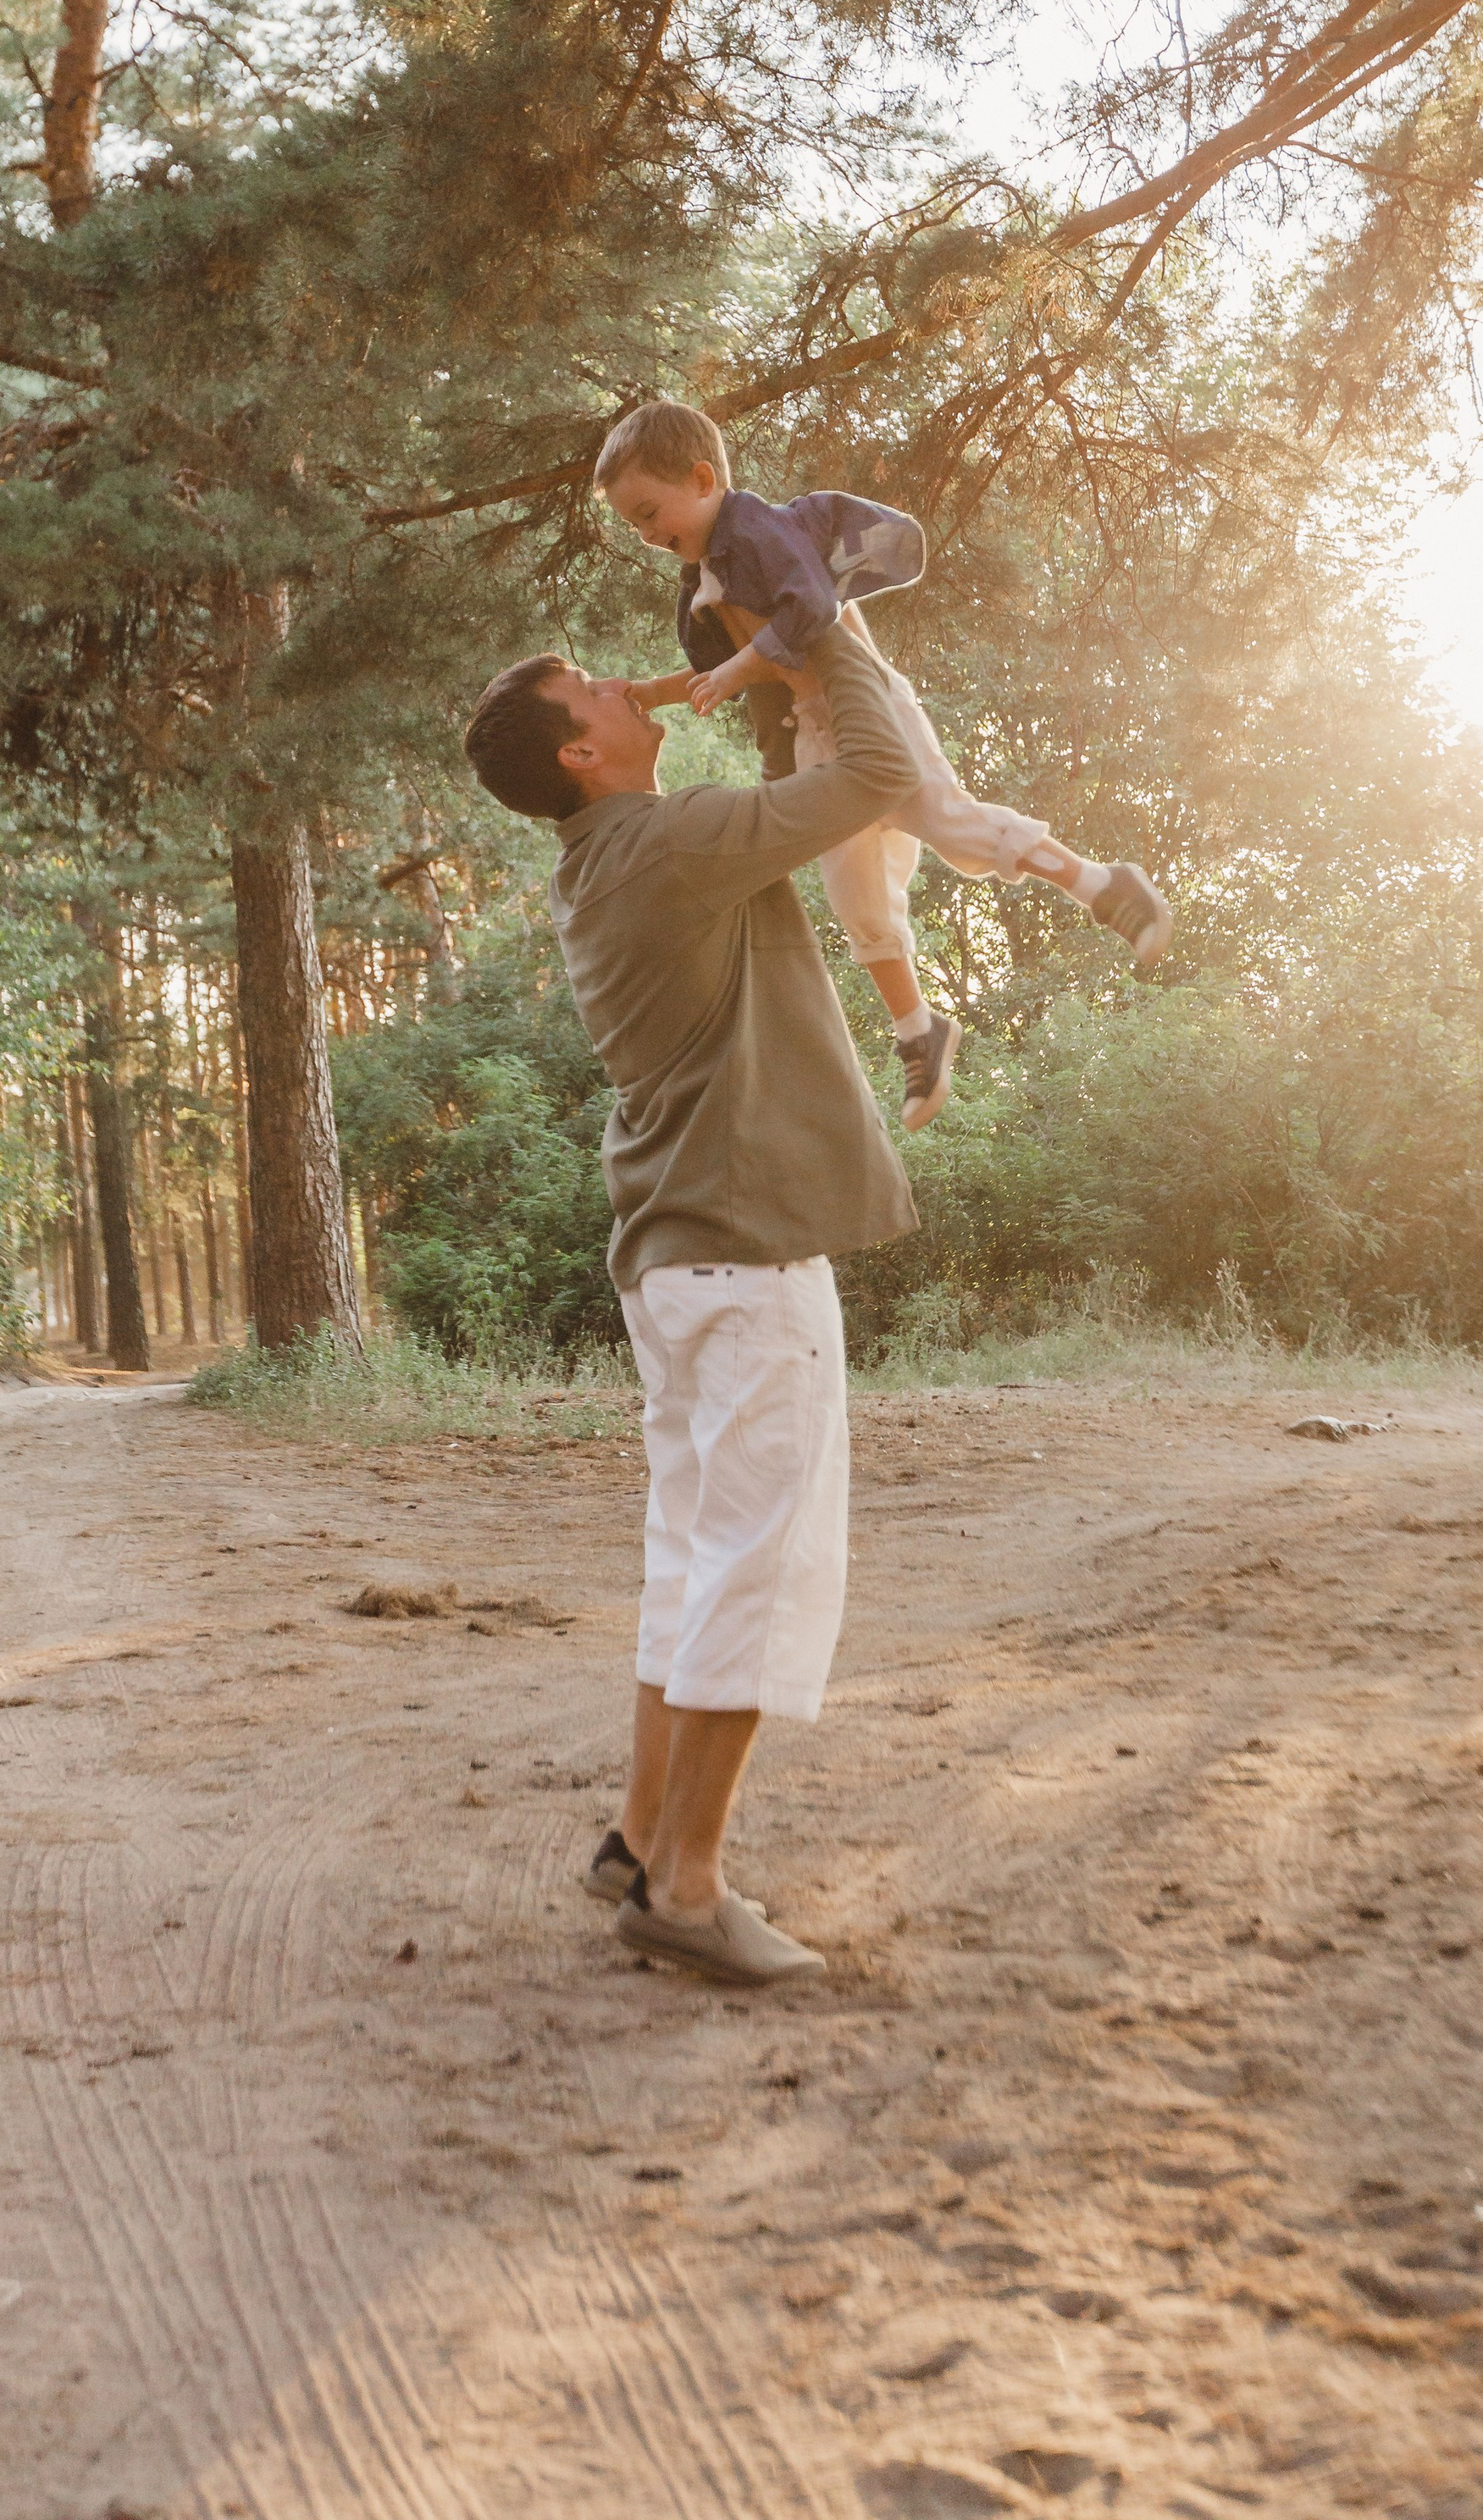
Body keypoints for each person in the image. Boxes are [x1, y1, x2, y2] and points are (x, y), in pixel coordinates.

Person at [462, 624, 924, 1986]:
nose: (621, 681)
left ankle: (640, 1836)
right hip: (746, 1254)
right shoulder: (673, 844)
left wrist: (764, 676)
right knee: (755, 1572)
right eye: (592, 688)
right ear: (579, 752)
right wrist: (820, 628)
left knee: (691, 1563)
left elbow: (804, 785)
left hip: (679, 1260)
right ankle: (687, 1887)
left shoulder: (609, 858)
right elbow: (879, 772)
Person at [595, 398, 1170, 1134]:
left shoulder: (761, 531)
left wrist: (738, 668)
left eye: (650, 513)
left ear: (703, 479)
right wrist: (656, 692)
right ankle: (918, 1031)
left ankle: (1104, 885)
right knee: (853, 888)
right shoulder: (704, 577)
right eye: (633, 526)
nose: (647, 535)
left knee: (945, 820)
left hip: (866, 703)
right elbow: (730, 672)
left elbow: (810, 610)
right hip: (812, 728)